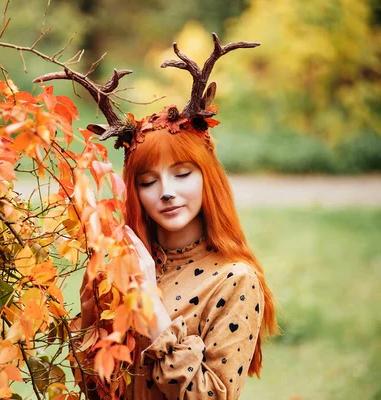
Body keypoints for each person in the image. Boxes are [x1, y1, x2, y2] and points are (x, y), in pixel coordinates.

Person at [38, 33, 279, 399]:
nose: (166, 191)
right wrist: (90, 309)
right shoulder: (125, 267)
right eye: (148, 181)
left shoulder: (234, 281)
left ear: (207, 179)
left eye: (182, 175)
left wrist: (153, 315)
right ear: (134, 193)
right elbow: (97, 390)